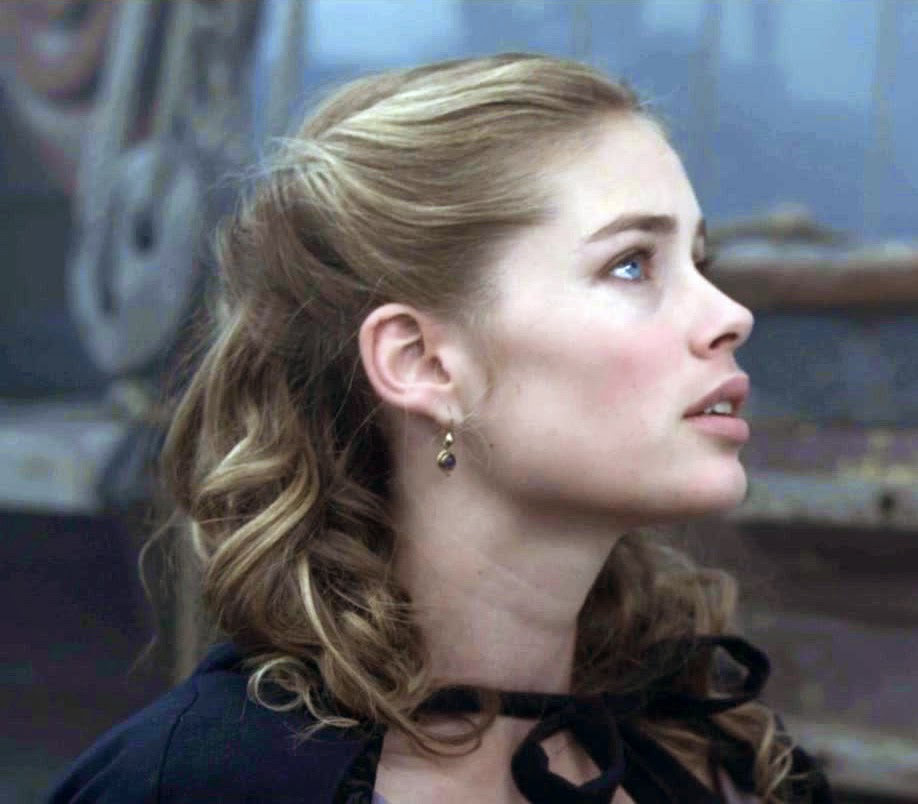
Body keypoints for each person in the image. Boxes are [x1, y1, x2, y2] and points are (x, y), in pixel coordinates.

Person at [47, 53, 833, 803]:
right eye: (631, 264)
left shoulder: (718, 758)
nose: (730, 315)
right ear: (421, 362)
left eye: (700, 261)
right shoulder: (201, 784)